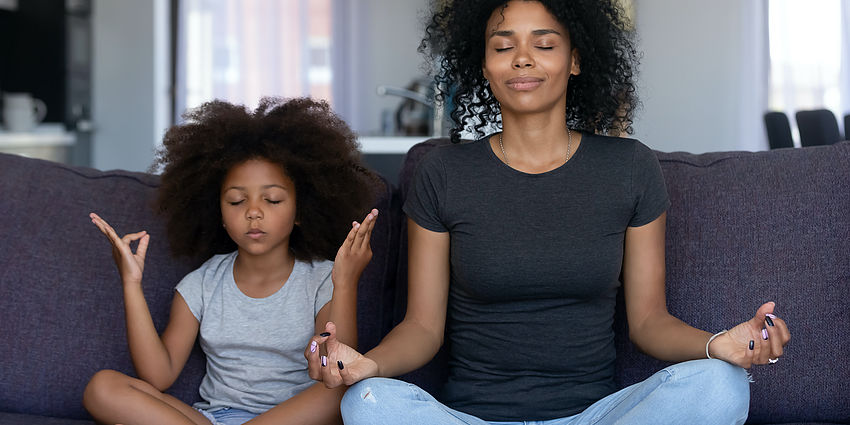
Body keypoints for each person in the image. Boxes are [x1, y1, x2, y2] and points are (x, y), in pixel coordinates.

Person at [306, 1, 792, 424]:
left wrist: (720, 345)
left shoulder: (629, 167)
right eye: (502, 46)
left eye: (544, 43)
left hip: (596, 416)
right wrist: (370, 365)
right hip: (470, 416)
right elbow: (422, 328)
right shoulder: (444, 172)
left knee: (720, 386)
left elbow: (649, 322)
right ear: (483, 65)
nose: (522, 58)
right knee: (367, 402)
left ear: (575, 59)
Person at [82, 97, 380, 425]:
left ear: (300, 211)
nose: (253, 211)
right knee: (102, 388)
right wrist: (130, 283)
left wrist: (346, 282)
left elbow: (335, 367)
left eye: (272, 199)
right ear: (219, 215)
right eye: (237, 201)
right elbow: (158, 376)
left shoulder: (323, 279)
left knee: (339, 389)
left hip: (296, 418)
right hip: (214, 419)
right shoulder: (201, 284)